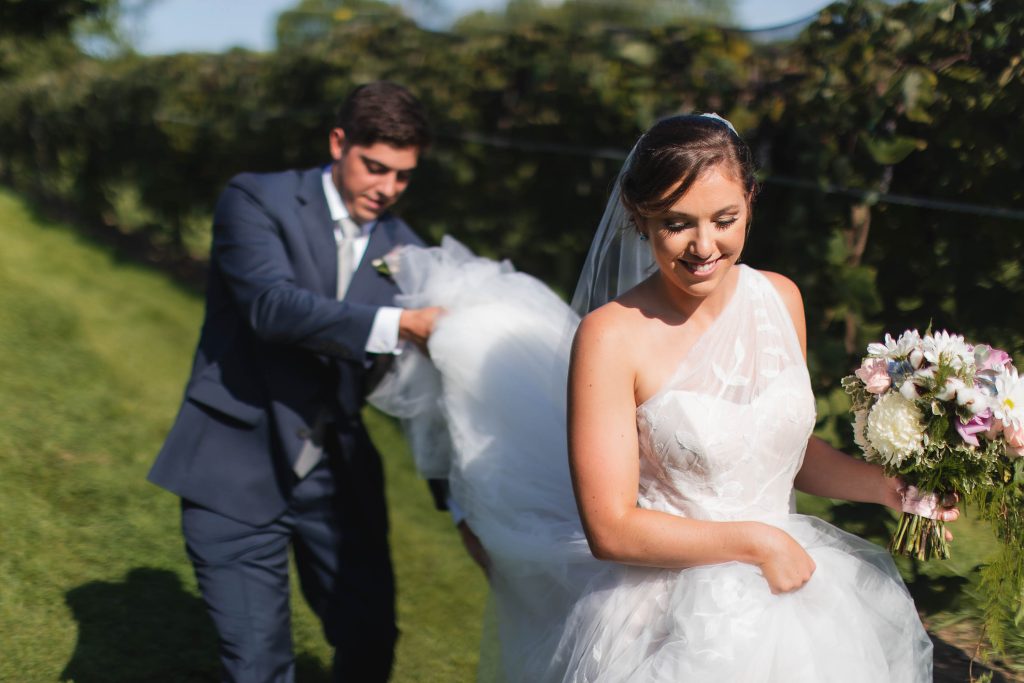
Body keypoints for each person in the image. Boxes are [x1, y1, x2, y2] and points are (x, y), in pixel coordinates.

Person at [369, 113, 958, 682]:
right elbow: (612, 528)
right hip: (671, 622)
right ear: (639, 216)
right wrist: (757, 543)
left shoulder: (780, 298)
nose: (704, 246)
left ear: (751, 199)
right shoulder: (610, 336)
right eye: (677, 224)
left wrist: (888, 489)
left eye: (724, 219)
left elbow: (783, 449)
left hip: (799, 598)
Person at [148, 81, 442, 683]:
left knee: (370, 641)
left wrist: (466, 507)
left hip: (338, 474)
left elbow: (431, 384)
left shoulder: (406, 248)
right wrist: (400, 323)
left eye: (403, 176)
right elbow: (272, 308)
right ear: (339, 142)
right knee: (258, 662)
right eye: (375, 167)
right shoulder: (255, 200)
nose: (387, 189)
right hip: (237, 460)